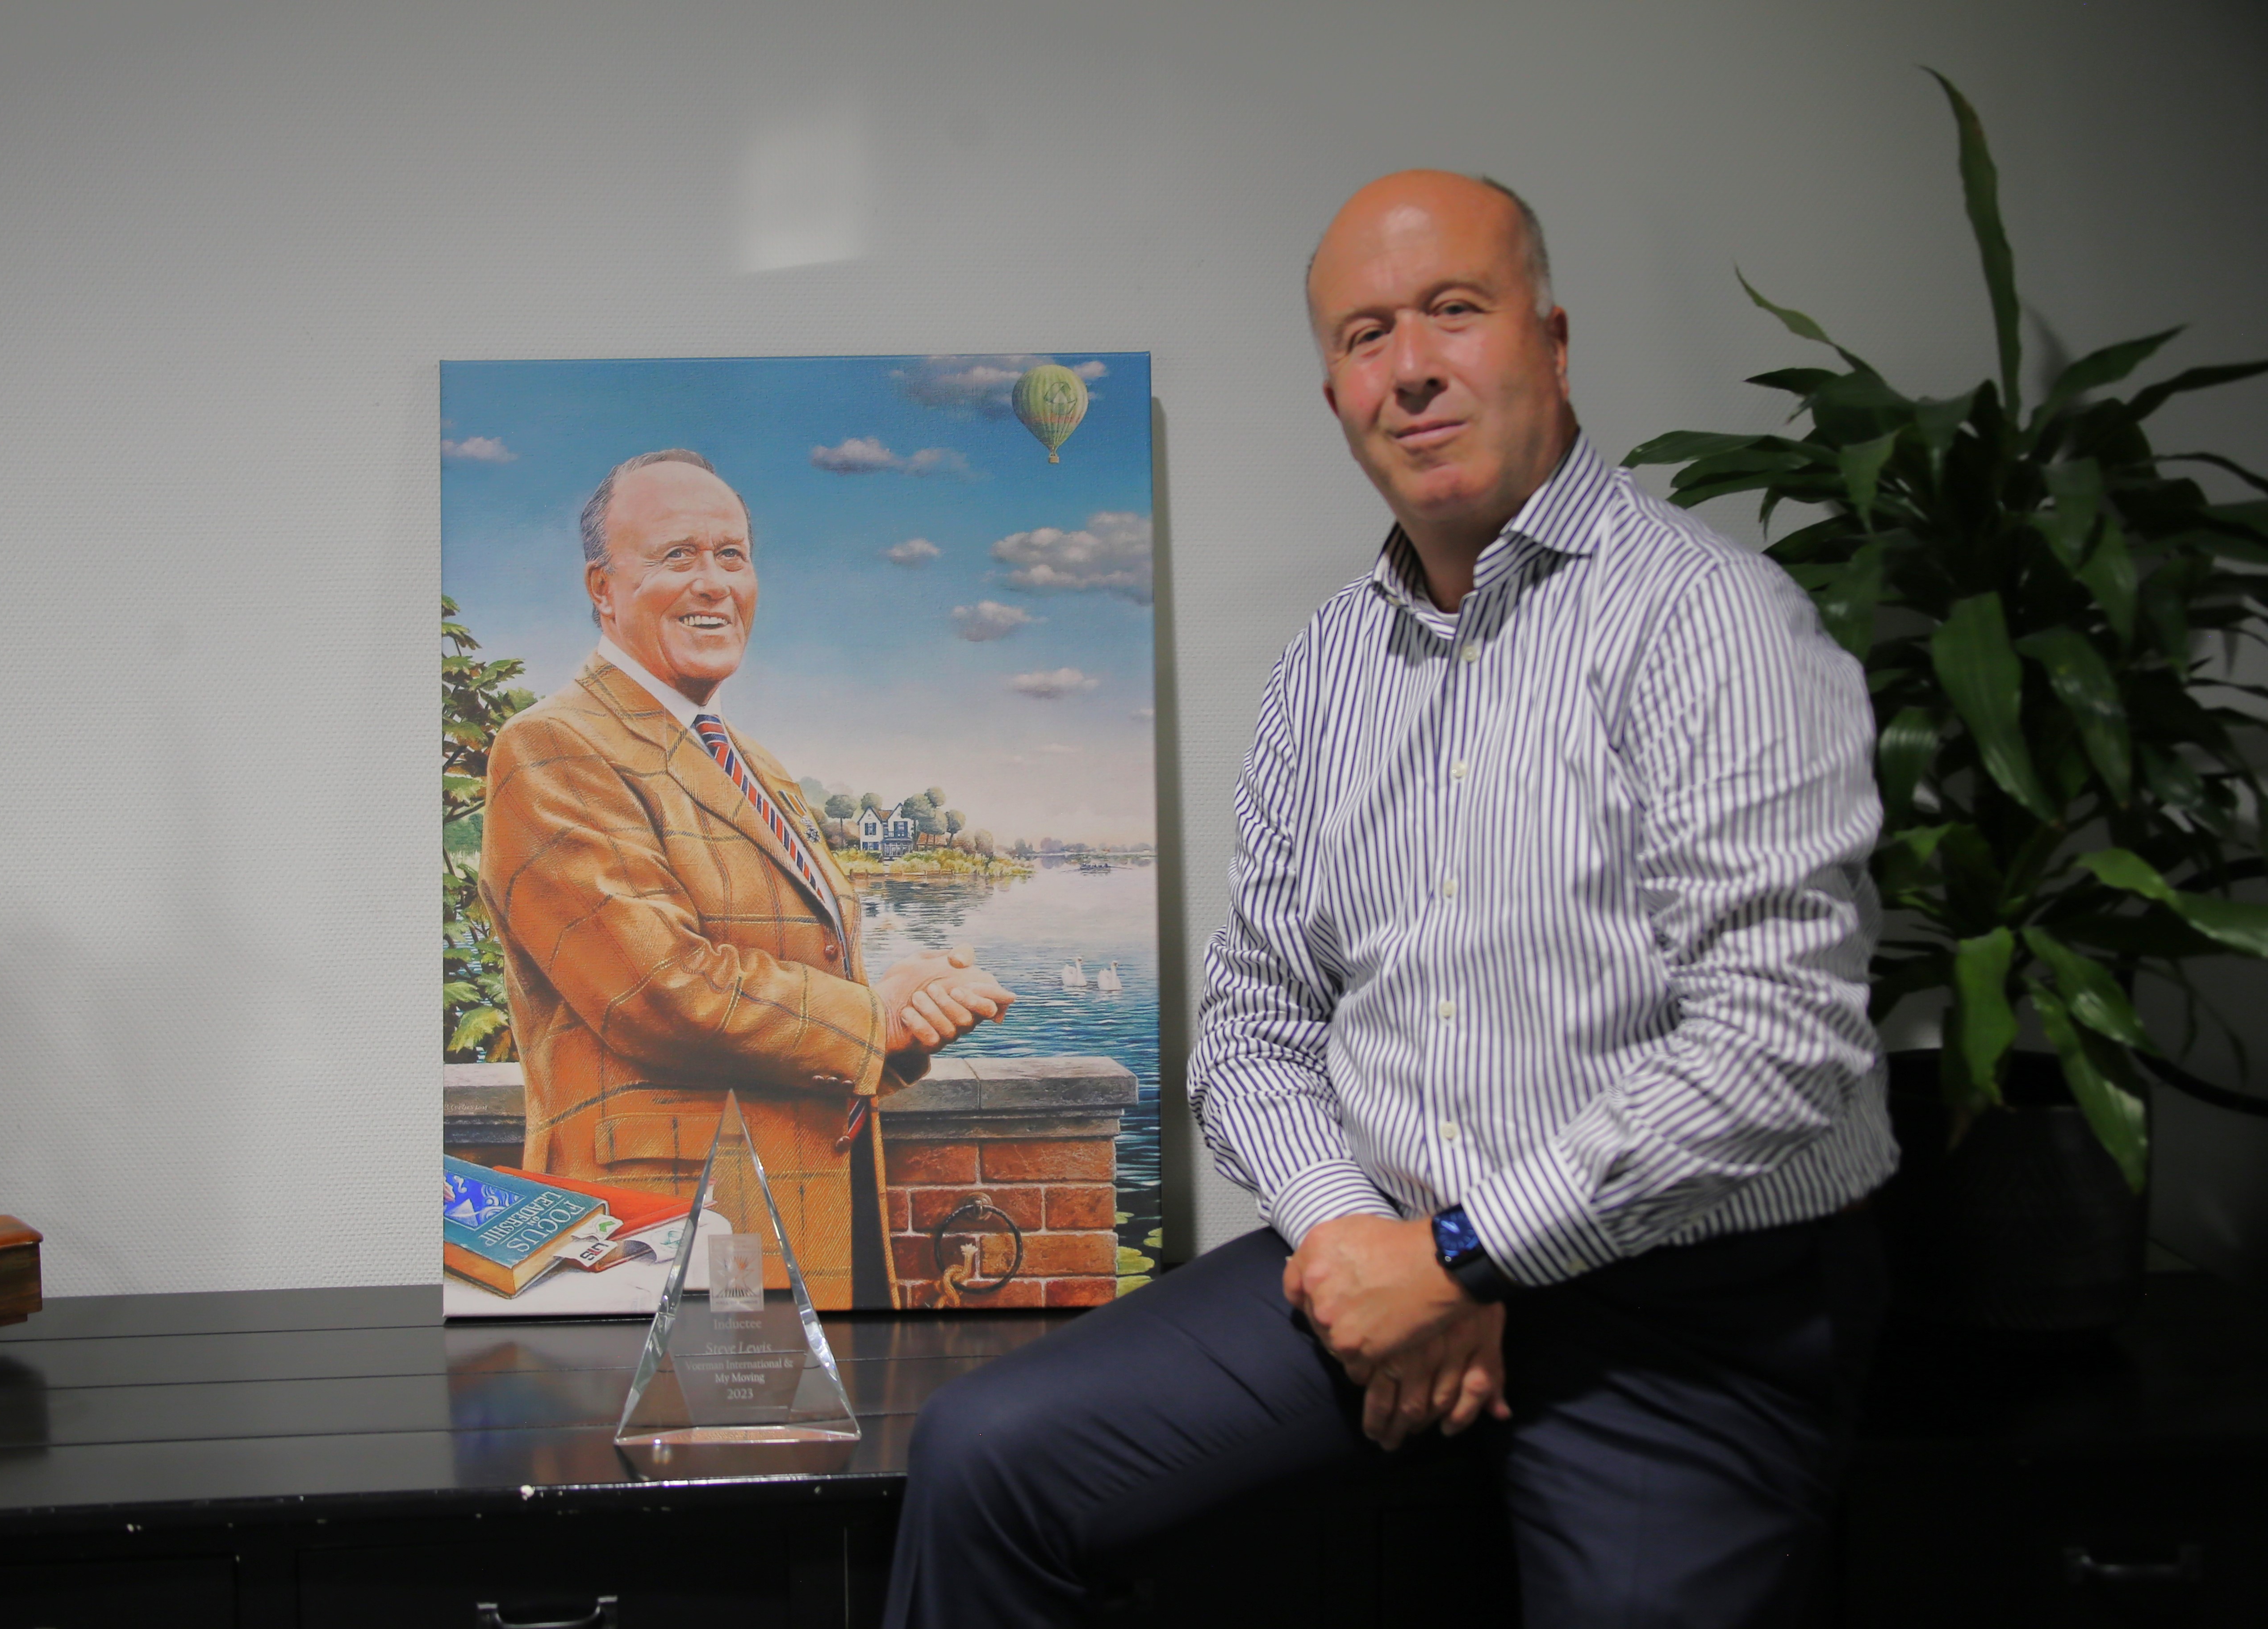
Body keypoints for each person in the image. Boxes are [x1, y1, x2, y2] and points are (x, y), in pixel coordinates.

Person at [882, 172, 1897, 1625]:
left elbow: (1775, 1044)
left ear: (1551, 339)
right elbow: (1250, 1023)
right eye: (1365, 334)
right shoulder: (1323, 669)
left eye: (1453, 312)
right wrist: (1357, 1243)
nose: (1409, 364)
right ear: (1335, 393)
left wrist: (1467, 1255)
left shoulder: (1713, 620)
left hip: (1687, 1304)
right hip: (1374, 1246)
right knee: (989, 1456)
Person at [479, 449, 1015, 1310]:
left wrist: (902, 1018)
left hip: (813, 1216)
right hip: (672, 1234)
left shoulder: (752, 764)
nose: (714, 584)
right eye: (677, 556)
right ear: (602, 588)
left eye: (732, 556)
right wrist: (878, 1014)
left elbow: (800, 973)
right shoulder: (553, 747)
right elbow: (662, 989)